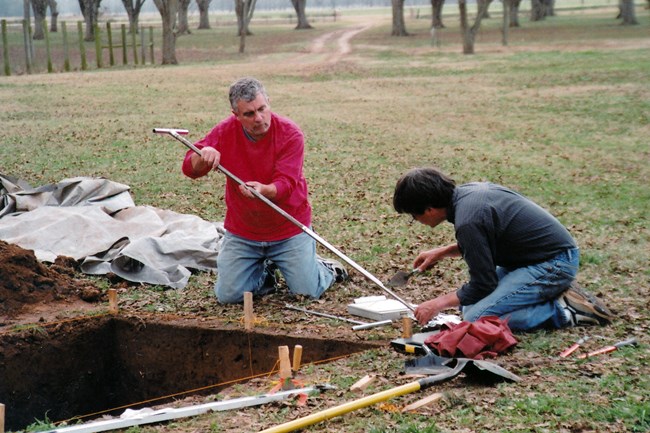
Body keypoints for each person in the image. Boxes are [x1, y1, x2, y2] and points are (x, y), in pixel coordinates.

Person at [182, 77, 347, 303]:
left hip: (288, 228)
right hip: (243, 233)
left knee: (307, 292)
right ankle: (265, 274)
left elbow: (286, 184)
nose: (258, 118)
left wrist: (263, 190)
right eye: (249, 114)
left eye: (262, 109)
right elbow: (190, 169)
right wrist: (203, 157)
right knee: (228, 297)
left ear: (269, 103)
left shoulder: (291, 134)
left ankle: (327, 269)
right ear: (236, 115)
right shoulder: (224, 131)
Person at [392, 167, 613, 331]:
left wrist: (437, 304)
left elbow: (482, 284)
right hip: (533, 258)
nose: (416, 220)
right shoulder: (468, 194)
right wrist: (442, 252)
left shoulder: (468, 221)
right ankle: (547, 297)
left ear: (429, 209)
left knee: (475, 320)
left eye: (414, 215)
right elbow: (486, 240)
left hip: (553, 263)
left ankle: (564, 311)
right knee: (468, 309)